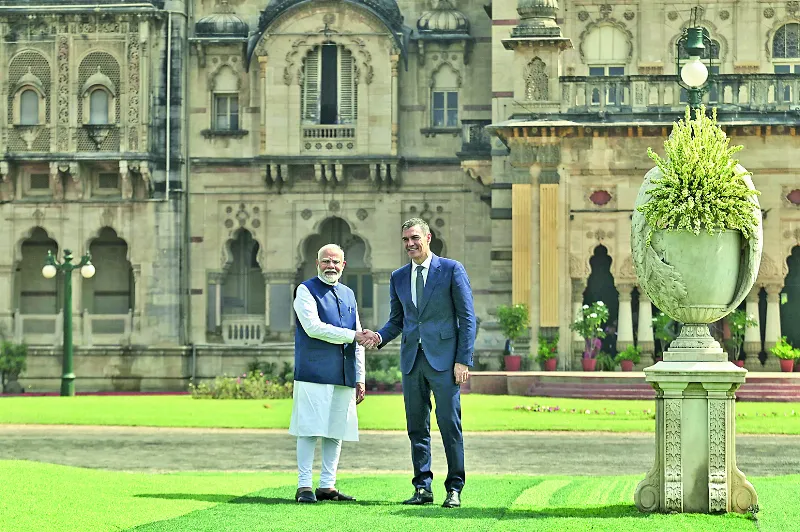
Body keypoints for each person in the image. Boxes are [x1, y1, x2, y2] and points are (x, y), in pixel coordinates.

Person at [373, 218, 476, 508]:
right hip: (412, 361)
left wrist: (462, 360)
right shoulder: (398, 277)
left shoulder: (452, 270)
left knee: (449, 425)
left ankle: (454, 488)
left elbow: (467, 319)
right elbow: (398, 321)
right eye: (405, 240)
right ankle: (422, 488)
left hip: (445, 362)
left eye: (414, 238)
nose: (410, 244)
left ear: (428, 238)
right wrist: (378, 336)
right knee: (416, 427)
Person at [289, 243, 377, 503]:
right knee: (309, 429)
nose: (331, 266)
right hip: (313, 371)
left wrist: (360, 377)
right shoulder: (305, 290)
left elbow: (358, 338)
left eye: (335, 262)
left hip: (344, 373)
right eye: (326, 261)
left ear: (343, 265)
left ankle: (327, 485)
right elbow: (313, 327)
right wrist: (352, 336)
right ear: (317, 263)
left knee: (335, 430)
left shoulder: (349, 294)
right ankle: (304, 485)